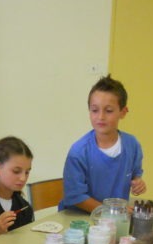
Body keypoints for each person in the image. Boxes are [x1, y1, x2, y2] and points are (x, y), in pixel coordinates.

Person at [59, 75, 146, 212]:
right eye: (95, 110)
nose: (100, 117)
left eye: (109, 110)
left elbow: (136, 175)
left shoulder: (132, 145)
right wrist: (111, 211)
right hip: (78, 219)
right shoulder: (79, 151)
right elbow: (75, 196)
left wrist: (138, 183)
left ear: (123, 112)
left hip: (114, 220)